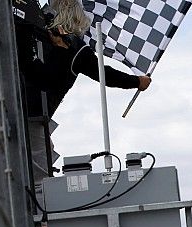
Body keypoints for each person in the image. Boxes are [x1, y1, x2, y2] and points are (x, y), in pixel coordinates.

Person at [23, 0, 151, 179]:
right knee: (41, 177)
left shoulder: (32, 26)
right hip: (34, 113)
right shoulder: (76, 49)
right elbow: (105, 74)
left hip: (18, 104)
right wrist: (137, 81)